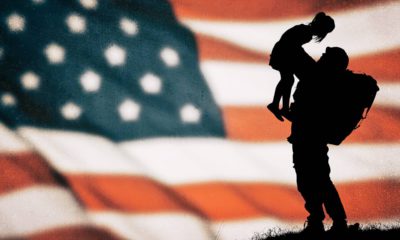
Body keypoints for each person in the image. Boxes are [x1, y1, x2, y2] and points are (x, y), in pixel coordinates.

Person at [289, 47, 352, 237]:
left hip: (310, 139)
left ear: (332, 62)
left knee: (319, 180)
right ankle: (318, 220)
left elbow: (312, 113)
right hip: (304, 137)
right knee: (310, 180)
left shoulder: (321, 81)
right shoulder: (319, 78)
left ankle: (336, 221)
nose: (322, 57)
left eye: (326, 56)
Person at [268, 12, 335, 121]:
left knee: (287, 80)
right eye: (324, 30)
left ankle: (278, 106)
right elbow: (293, 47)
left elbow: (296, 48)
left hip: (282, 53)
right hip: (283, 55)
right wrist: (307, 61)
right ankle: (281, 107)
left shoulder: (305, 31)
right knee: (288, 80)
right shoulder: (306, 33)